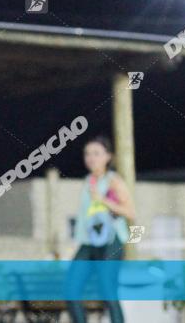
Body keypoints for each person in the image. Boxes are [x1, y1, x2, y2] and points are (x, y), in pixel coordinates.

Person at [66, 136, 136, 323]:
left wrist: (102, 200)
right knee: (71, 290)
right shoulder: (87, 181)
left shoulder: (113, 181)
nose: (91, 158)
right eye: (87, 154)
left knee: (108, 291)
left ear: (108, 157)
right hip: (87, 243)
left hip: (111, 242)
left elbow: (130, 212)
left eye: (96, 153)